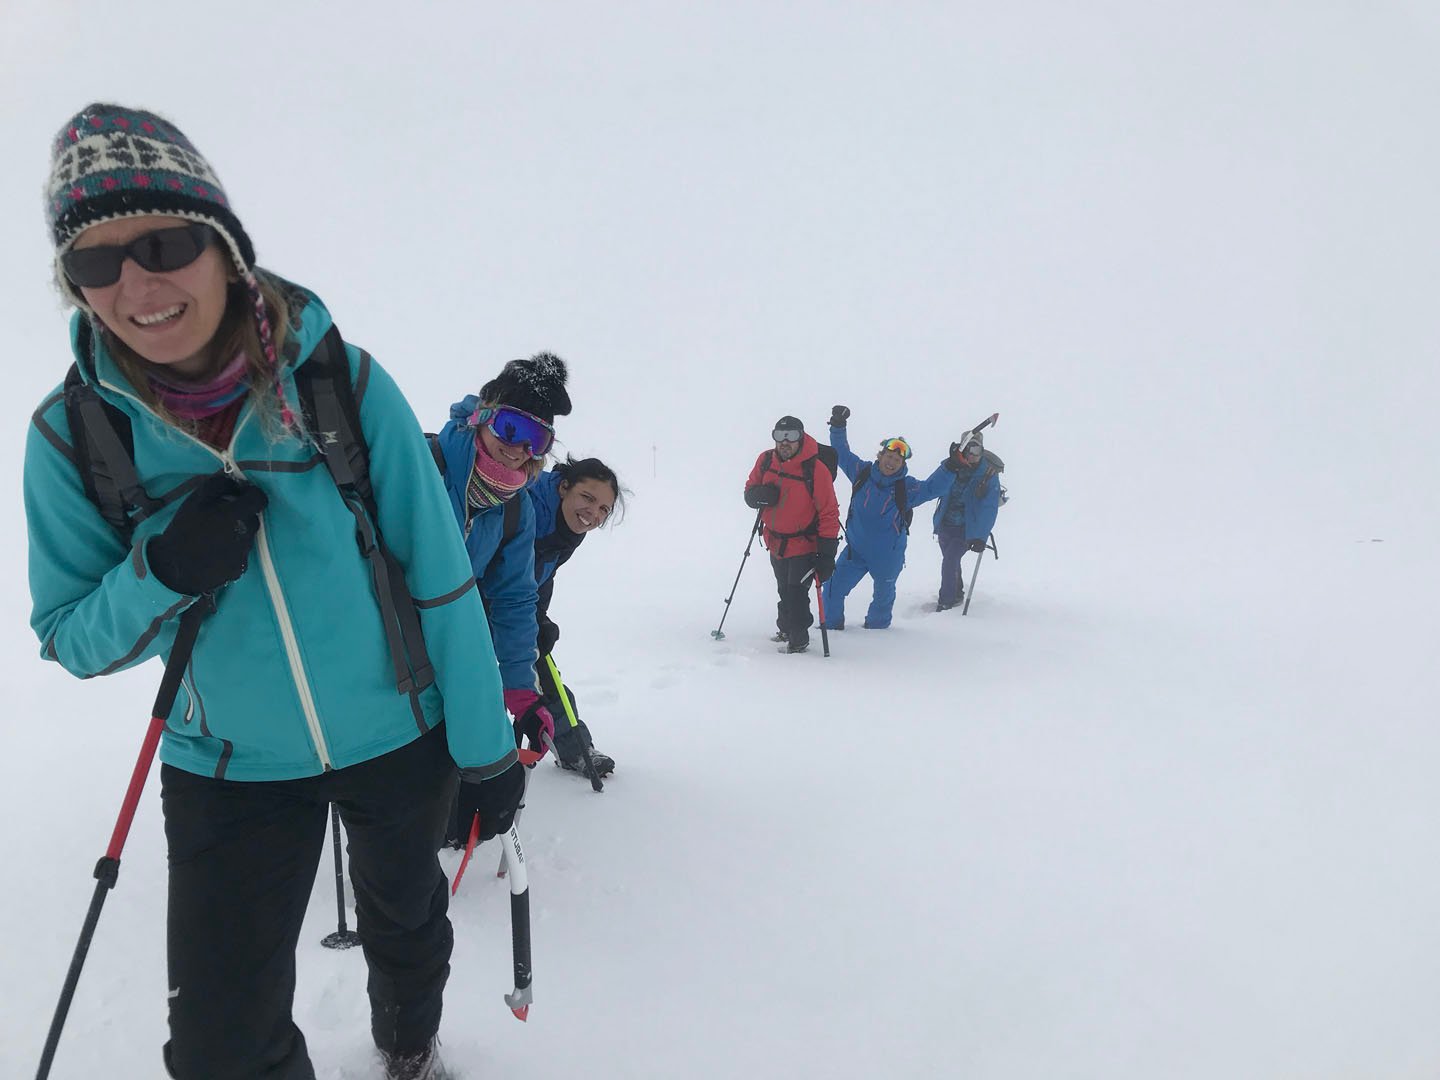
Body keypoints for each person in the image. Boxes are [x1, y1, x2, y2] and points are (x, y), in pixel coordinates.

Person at [24, 103, 522, 1080]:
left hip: (398, 739)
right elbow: (73, 636)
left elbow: (443, 580)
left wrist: (485, 750)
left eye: (164, 242)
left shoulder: (342, 384)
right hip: (225, 767)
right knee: (219, 1047)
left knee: (408, 924)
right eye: (95, 261)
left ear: (224, 249)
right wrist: (159, 570)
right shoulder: (73, 438)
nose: (136, 283)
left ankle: (408, 1040)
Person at [433, 353, 570, 839]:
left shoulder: (516, 510)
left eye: (537, 439)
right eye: (511, 429)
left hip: (443, 662)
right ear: (482, 415)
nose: (519, 449)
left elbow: (514, 601)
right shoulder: (421, 466)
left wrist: (520, 689)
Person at [527, 455, 625, 776]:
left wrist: (538, 615)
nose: (593, 514)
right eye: (588, 498)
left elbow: (543, 571)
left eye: (603, 510)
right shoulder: (527, 504)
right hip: (474, 604)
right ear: (565, 487)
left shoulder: (569, 526)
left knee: (543, 670)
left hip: (518, 608)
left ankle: (574, 749)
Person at [820, 406, 949, 630]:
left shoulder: (906, 488)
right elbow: (841, 452)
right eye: (888, 457)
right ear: (880, 456)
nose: (891, 463)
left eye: (896, 461)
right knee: (832, 588)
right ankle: (830, 628)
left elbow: (932, 488)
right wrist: (838, 425)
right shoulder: (861, 472)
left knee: (882, 598)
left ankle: (878, 634)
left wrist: (951, 466)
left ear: (903, 465)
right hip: (855, 551)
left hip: (887, 557)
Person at [743, 415, 840, 654]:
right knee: (784, 588)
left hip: (804, 544)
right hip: (775, 541)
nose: (785, 442)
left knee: (796, 593)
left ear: (801, 437)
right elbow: (749, 489)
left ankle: (798, 640)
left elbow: (829, 512)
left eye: (791, 436)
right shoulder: (765, 460)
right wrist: (758, 495)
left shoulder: (815, 469)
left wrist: (827, 554)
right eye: (779, 436)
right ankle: (785, 629)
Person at [932, 430, 1006, 611]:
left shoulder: (988, 473)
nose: (972, 455)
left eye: (976, 450)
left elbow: (989, 508)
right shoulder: (951, 466)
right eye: (968, 449)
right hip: (945, 524)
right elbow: (934, 484)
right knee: (951, 561)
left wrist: (980, 537)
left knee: (950, 560)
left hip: (967, 529)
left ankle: (946, 601)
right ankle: (957, 591)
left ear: (982, 450)